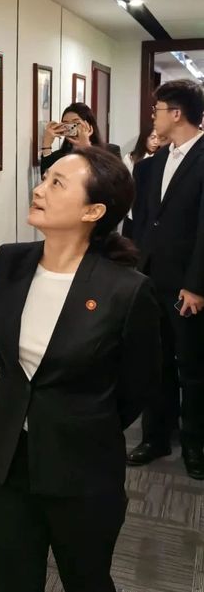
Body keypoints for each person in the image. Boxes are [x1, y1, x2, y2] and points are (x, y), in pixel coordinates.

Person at [0, 147, 161, 592]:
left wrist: (80, 416)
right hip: (8, 458)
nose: (39, 189)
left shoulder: (126, 290)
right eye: (45, 178)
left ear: (93, 211)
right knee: (9, 581)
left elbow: (138, 386)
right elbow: (3, 354)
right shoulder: (9, 261)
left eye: (57, 183)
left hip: (82, 467)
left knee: (86, 580)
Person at [126, 79, 204, 480]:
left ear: (176, 113)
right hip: (150, 278)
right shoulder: (151, 164)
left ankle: (195, 445)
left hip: (187, 285)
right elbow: (142, 222)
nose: (152, 117)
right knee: (154, 363)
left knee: (192, 366)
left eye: (157, 110)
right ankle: (155, 437)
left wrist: (196, 284)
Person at [40, 102, 121, 176]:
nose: (71, 127)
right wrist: (46, 145)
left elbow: (115, 180)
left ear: (89, 125)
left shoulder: (111, 151)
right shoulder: (59, 156)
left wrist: (86, 149)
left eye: (76, 123)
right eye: (66, 123)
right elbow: (46, 179)